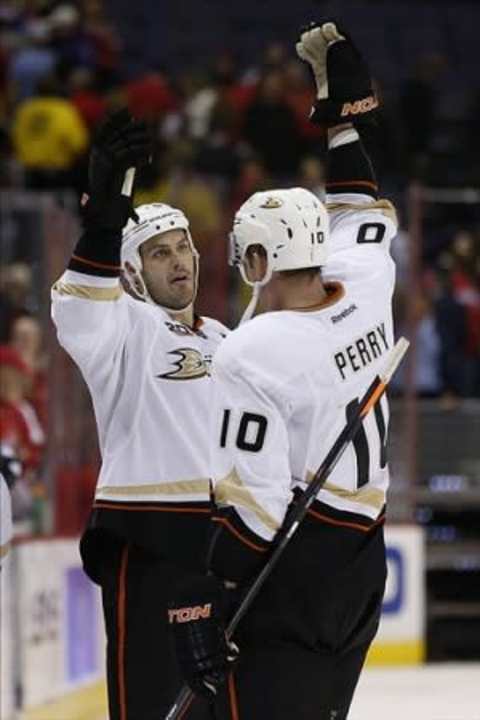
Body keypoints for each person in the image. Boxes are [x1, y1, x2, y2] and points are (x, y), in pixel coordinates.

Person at [168, 21, 397, 720]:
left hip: (296, 570)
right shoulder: (367, 280)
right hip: (364, 559)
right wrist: (344, 116)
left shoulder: (254, 350)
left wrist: (196, 597)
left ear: (259, 261)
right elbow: (358, 201)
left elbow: (257, 510)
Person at [51, 109, 229, 719]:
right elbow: (78, 312)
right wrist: (102, 225)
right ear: (131, 270)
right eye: (159, 253)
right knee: (155, 704)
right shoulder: (122, 325)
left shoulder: (227, 339)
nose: (180, 261)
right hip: (149, 538)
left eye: (183, 247)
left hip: (223, 540)